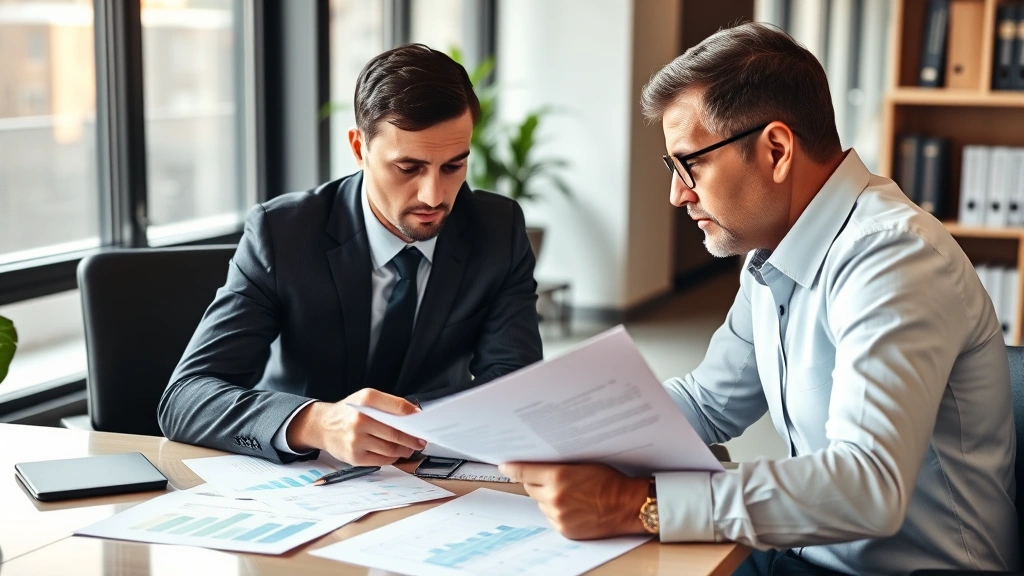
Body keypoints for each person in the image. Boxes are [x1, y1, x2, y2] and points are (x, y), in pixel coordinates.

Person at [498, 22, 1017, 575]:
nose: (677, 193)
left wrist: (631, 504)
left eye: (688, 163)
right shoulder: (772, 256)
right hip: (807, 555)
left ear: (775, 149)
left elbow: (868, 485)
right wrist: (565, 431)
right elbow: (707, 403)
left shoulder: (891, 258)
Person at [158, 44, 542, 467]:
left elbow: (517, 387)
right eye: (409, 167)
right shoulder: (283, 233)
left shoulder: (497, 228)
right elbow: (186, 398)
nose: (434, 196)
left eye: (453, 166)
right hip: (304, 475)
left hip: (432, 475)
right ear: (359, 148)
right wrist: (315, 422)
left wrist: (400, 423)